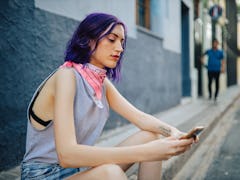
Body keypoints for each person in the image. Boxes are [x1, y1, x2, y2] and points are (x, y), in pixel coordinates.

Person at [21, 13, 196, 180]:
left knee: (151, 135)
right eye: (112, 39)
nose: (119, 48)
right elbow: (67, 154)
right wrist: (148, 151)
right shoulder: (66, 76)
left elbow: (141, 118)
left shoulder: (101, 84)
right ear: (88, 40)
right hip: (43, 175)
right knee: (111, 173)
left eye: (122, 42)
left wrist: (174, 133)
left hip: (77, 171)